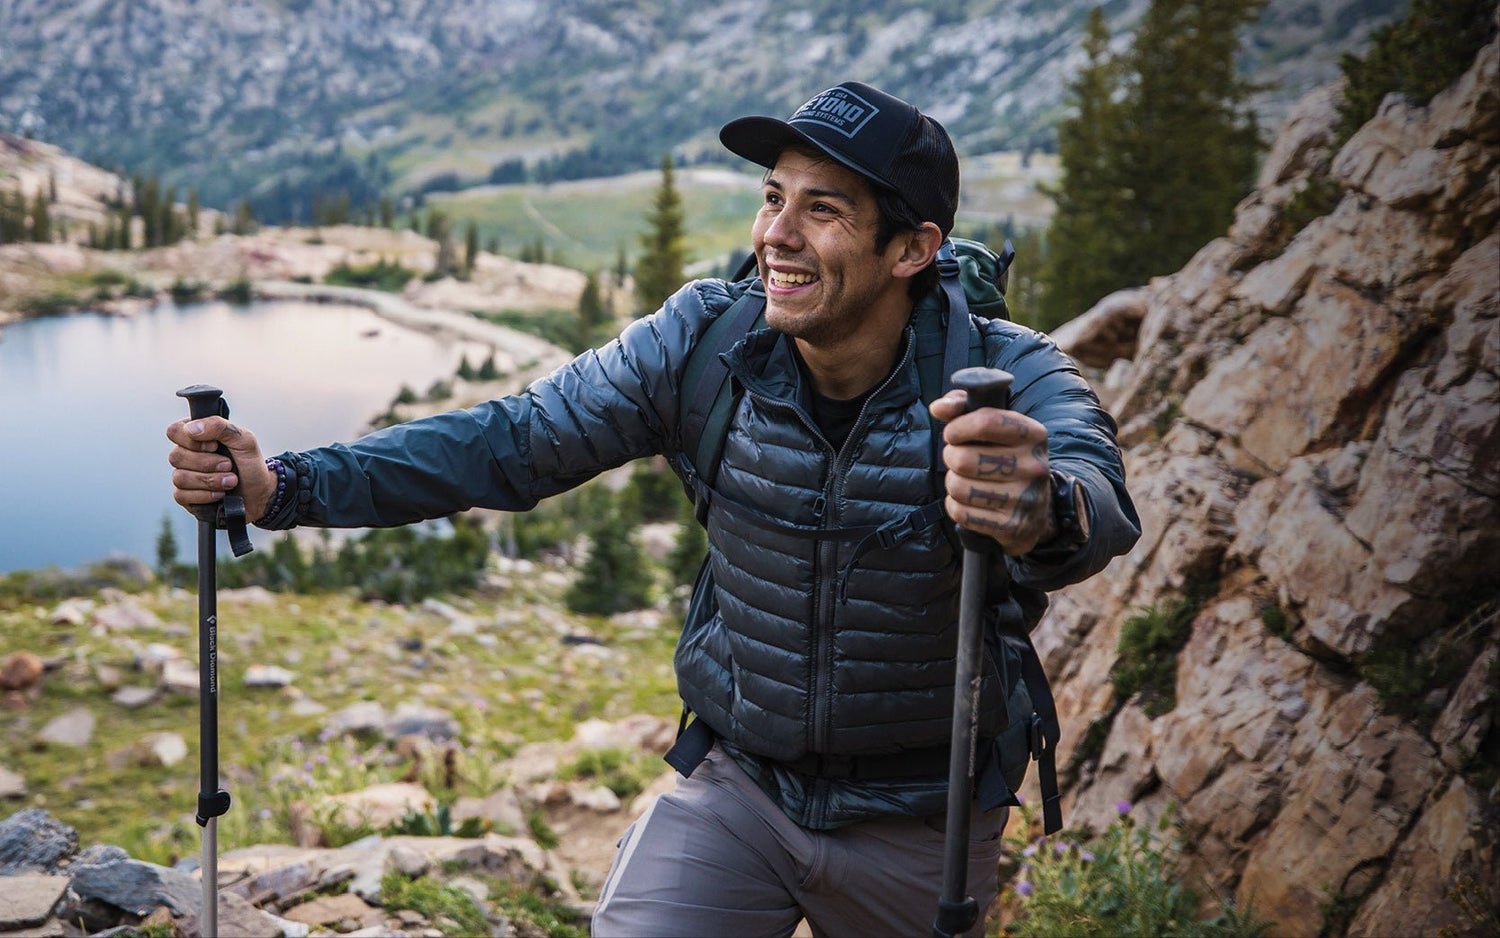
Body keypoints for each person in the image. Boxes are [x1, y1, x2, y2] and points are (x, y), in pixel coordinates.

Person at [168, 81, 1140, 937]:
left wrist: (1036, 507)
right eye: (772, 198)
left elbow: (1098, 504)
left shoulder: (1002, 379)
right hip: (741, 786)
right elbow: (511, 441)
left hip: (924, 818)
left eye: (823, 209)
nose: (777, 236)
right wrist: (284, 485)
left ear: (912, 248)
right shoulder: (702, 343)